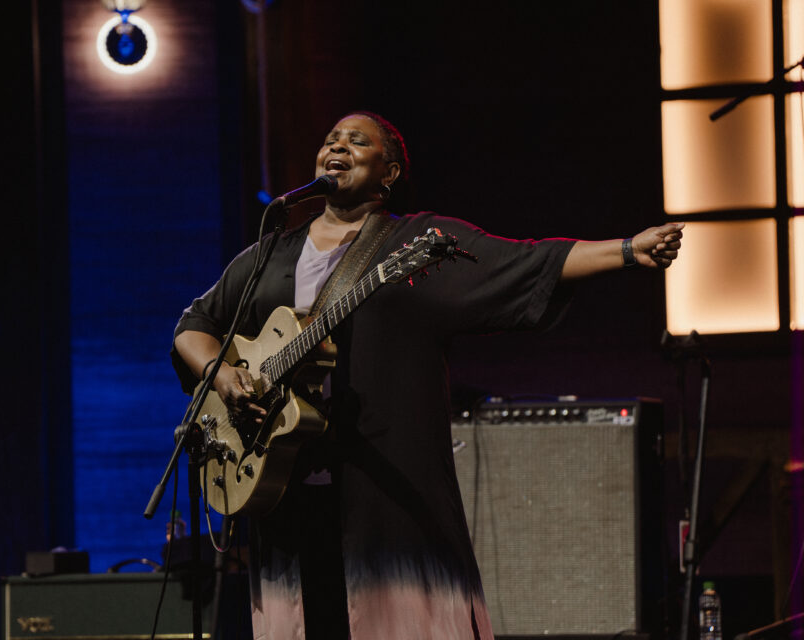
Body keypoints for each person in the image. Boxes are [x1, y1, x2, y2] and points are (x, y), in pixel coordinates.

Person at [171, 112, 683, 640]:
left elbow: (525, 262)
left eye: (356, 141)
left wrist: (626, 250)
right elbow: (195, 326)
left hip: (387, 490)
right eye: (330, 140)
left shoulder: (416, 242)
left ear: (388, 173)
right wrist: (222, 375)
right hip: (287, 495)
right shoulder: (270, 253)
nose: (338, 147)